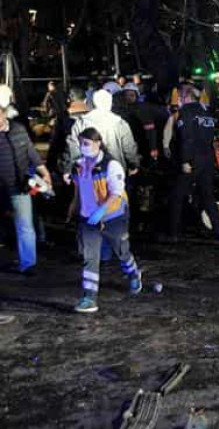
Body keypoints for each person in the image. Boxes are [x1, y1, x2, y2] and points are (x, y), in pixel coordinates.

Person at [69, 127, 142, 313]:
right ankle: (89, 298)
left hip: (113, 217)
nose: (83, 146)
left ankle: (133, 274)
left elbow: (116, 193)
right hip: (88, 219)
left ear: (98, 143)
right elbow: (78, 191)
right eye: (81, 143)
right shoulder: (79, 166)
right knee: (90, 258)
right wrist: (73, 209)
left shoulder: (111, 165)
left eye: (86, 143)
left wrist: (101, 211)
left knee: (121, 252)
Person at [0, 86, 52, 274]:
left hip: (19, 186)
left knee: (25, 225)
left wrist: (44, 173)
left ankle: (28, 264)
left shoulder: (18, 130)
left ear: (4, 113)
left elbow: (32, 154)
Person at [168, 85, 219, 241]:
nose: (178, 101)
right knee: (207, 196)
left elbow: (186, 138)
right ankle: (218, 231)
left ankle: (174, 233)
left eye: (180, 97)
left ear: (186, 97)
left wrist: (185, 160)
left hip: (193, 159)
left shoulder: (186, 112)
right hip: (207, 158)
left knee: (177, 195)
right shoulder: (207, 112)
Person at [65, 90, 140, 176]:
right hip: (115, 169)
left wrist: (72, 169)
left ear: (93, 103)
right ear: (110, 103)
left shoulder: (81, 122)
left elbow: (74, 147)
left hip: (89, 170)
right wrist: (134, 164)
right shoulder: (119, 122)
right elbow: (129, 147)